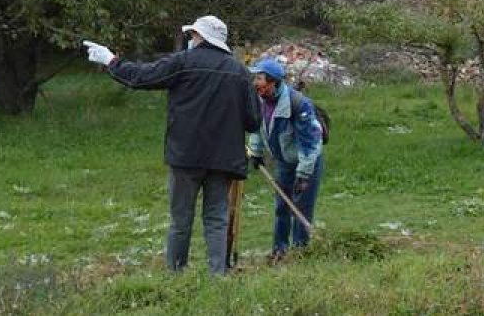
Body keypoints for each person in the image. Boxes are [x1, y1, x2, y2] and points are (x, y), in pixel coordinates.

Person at [82, 15, 259, 275]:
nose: (190, 39)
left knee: (181, 219)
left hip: (186, 156)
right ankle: (217, 276)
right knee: (216, 220)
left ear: (201, 38)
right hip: (223, 159)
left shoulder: (184, 63)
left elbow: (141, 77)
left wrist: (111, 60)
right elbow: (254, 121)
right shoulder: (240, 73)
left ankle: (176, 274)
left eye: (192, 35)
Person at [246, 57, 324, 261]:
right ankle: (279, 251)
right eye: (255, 78)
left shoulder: (298, 104)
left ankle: (300, 252)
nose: (255, 83)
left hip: (307, 162)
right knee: (282, 206)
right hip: (284, 163)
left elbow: (310, 142)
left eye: (260, 78)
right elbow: (257, 128)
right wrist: (256, 153)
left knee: (301, 207)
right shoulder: (260, 101)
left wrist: (304, 174)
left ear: (273, 82)